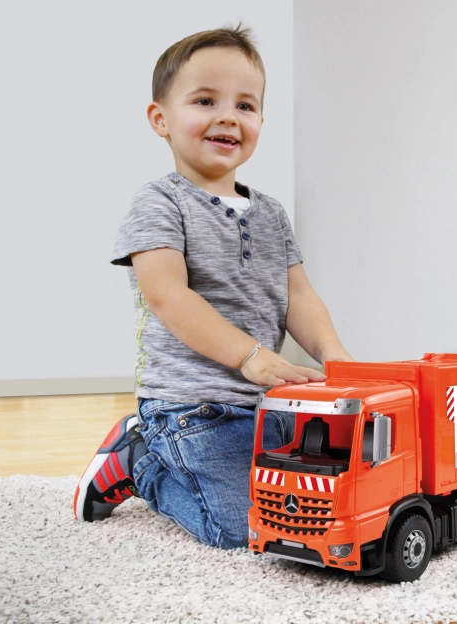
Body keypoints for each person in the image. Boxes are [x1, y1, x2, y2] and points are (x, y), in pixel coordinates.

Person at [73, 24, 352, 549]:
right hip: (189, 407)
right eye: (205, 101)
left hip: (267, 402)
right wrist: (249, 355)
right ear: (161, 119)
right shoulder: (159, 202)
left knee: (316, 505)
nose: (228, 116)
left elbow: (298, 295)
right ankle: (140, 461)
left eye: (245, 105)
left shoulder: (271, 213)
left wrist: (333, 353)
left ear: (261, 121)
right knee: (244, 526)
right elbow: (167, 296)